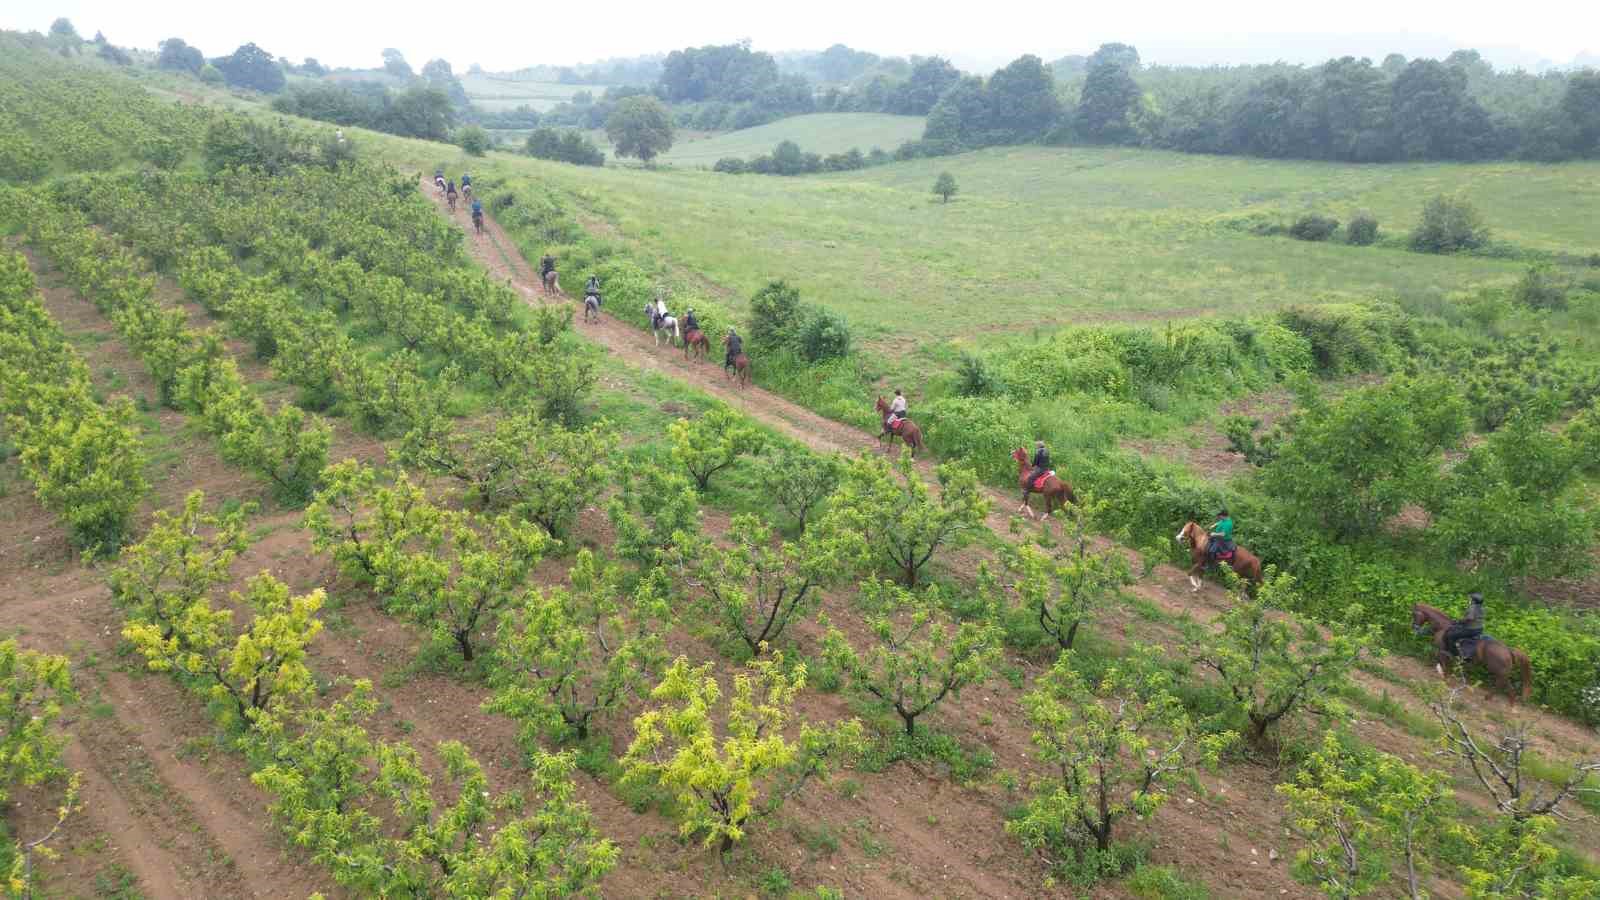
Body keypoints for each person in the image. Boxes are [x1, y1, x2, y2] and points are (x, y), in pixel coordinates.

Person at [1443, 592, 1485, 658]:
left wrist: (1458, 621)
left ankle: (1454, 654)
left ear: (1473, 601)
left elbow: (1469, 618)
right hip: (1479, 629)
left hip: (1471, 629)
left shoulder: (1472, 607)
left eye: (1470, 599)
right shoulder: (1482, 608)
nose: (1469, 600)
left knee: (1450, 635)